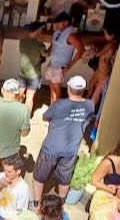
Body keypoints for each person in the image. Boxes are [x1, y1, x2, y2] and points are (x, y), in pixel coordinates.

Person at [32, 76, 95, 204]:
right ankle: (61, 202)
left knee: (40, 176)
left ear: (69, 89)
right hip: (71, 150)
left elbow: (45, 117)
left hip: (51, 147)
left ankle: (37, 202)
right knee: (65, 178)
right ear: (83, 90)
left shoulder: (59, 104)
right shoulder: (90, 105)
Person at [45, 13, 85, 104]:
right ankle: (53, 109)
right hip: (52, 63)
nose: (56, 25)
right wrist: (47, 51)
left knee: (56, 93)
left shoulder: (71, 35)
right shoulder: (57, 32)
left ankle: (56, 114)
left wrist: (69, 67)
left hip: (60, 67)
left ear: (65, 23)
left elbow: (81, 50)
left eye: (58, 23)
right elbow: (53, 44)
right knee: (52, 89)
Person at [17, 21, 47, 115]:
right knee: (29, 98)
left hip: (22, 73)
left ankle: (14, 113)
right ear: (37, 30)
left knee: (19, 93)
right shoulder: (40, 45)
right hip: (34, 75)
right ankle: (26, 117)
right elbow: (46, 54)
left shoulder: (22, 42)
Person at [87, 27, 119, 108]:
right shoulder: (112, 43)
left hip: (103, 70)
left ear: (112, 35)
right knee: (91, 86)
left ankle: (91, 109)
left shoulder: (110, 44)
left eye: (105, 34)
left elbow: (98, 54)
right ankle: (87, 106)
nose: (104, 36)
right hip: (100, 69)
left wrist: (93, 50)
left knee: (97, 91)